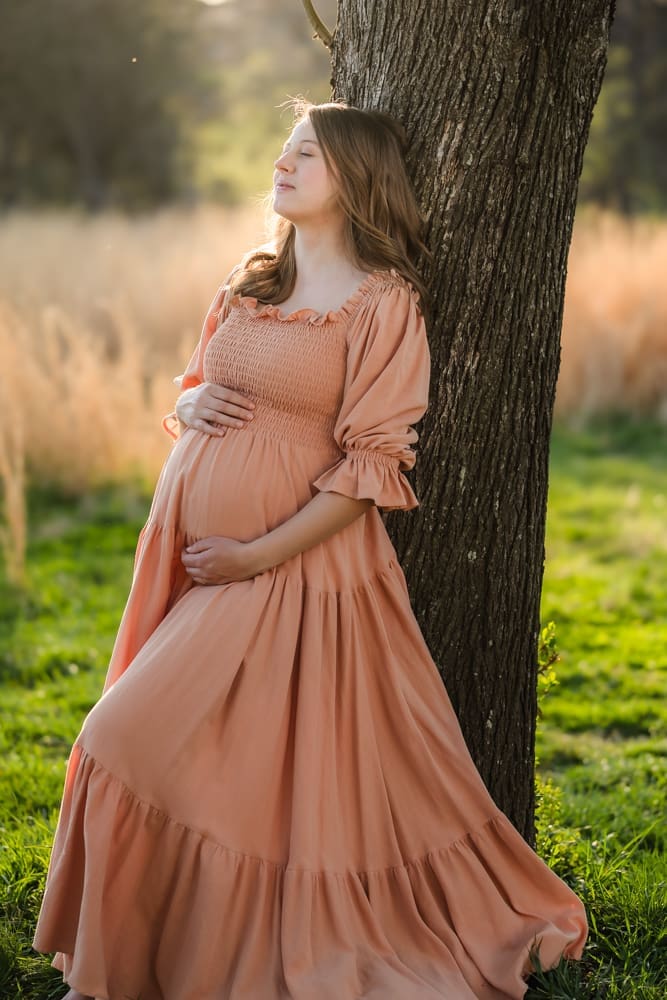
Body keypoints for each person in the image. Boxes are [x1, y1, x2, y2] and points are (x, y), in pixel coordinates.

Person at [32, 99, 587, 1000]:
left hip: (292, 572)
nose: (283, 166)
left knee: (123, 737)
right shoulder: (248, 284)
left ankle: (226, 952)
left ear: (357, 181)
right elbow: (197, 386)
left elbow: (371, 468)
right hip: (193, 555)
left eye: (307, 156)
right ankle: (153, 957)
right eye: (283, 152)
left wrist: (256, 557)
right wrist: (185, 408)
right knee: (216, 765)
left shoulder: (381, 304)